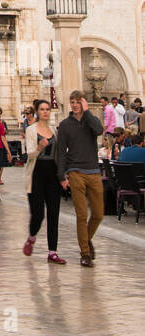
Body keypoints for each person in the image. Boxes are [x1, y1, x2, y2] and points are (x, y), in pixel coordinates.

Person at [56, 90, 104, 268]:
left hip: (93, 170)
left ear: (83, 102)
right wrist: (62, 176)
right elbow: (61, 153)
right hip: (76, 172)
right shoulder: (65, 125)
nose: (75, 105)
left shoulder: (91, 122)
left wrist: (88, 111)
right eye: (73, 102)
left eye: (78, 102)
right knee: (82, 215)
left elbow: (99, 130)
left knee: (98, 213)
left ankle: (87, 239)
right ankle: (85, 253)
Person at [22, 98, 66, 264]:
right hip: (36, 174)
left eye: (47, 109)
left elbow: (59, 154)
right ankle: (31, 237)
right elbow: (29, 155)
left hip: (52, 174)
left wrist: (63, 175)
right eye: (42, 109)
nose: (45, 112)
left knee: (54, 213)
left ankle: (52, 252)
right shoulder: (31, 130)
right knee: (38, 214)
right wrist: (39, 148)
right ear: (37, 112)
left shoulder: (54, 130)